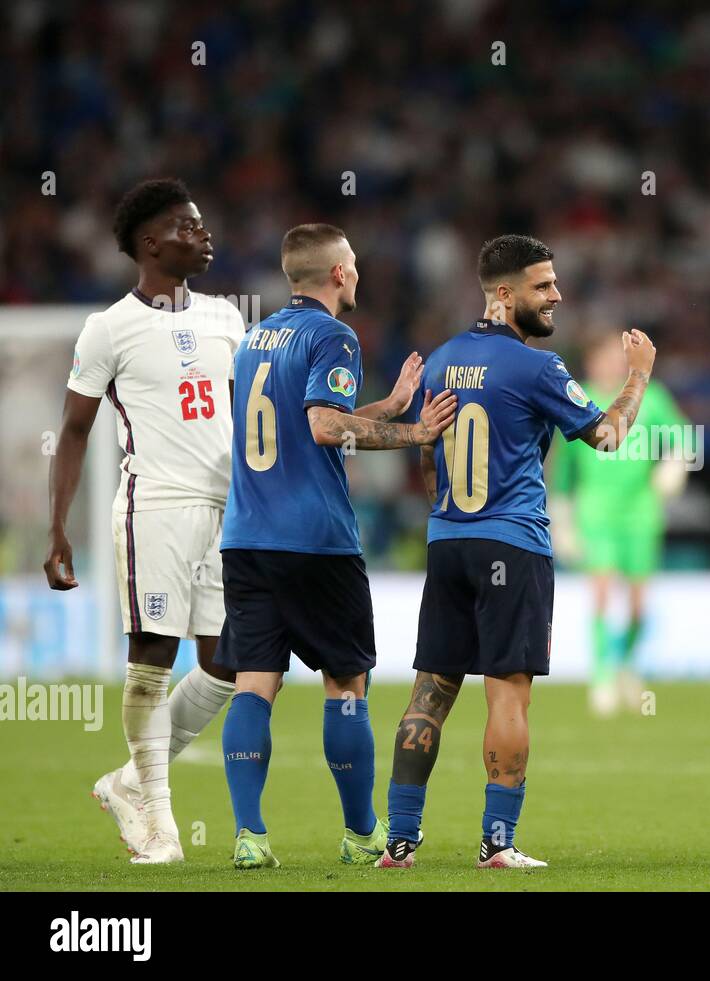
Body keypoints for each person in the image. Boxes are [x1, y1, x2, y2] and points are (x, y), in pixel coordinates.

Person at [376, 234, 657, 869]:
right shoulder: (538, 368)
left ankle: (399, 841)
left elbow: (426, 448)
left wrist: (447, 514)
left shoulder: (445, 360)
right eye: (543, 285)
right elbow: (608, 435)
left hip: (448, 540)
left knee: (430, 692)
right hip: (514, 545)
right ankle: (497, 844)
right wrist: (637, 374)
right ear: (504, 295)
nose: (556, 294)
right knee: (508, 693)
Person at [215, 223, 457, 869]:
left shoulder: (254, 339)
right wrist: (413, 431)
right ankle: (360, 832)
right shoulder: (334, 335)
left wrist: (388, 402)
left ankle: (249, 835)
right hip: (314, 540)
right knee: (346, 682)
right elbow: (324, 428)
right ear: (338, 274)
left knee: (254, 684)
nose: (358, 272)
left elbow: (300, 423)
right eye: (353, 262)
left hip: (246, 537)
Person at [45, 178, 245, 864]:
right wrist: (58, 528)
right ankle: (159, 822)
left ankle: (128, 782)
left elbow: (245, 417)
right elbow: (73, 432)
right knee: (153, 656)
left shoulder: (227, 317)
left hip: (226, 509)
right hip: (154, 505)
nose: (203, 233)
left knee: (228, 662)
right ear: (151, 243)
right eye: (188, 226)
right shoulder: (108, 327)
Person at [549, 332, 690, 715]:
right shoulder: (580, 398)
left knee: (639, 607)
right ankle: (601, 678)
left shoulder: (653, 397)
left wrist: (675, 466)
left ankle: (625, 664)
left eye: (618, 357)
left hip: (641, 510)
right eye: (605, 357)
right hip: (595, 511)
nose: (612, 364)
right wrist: (561, 516)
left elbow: (684, 438)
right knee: (601, 591)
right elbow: (564, 466)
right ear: (592, 361)